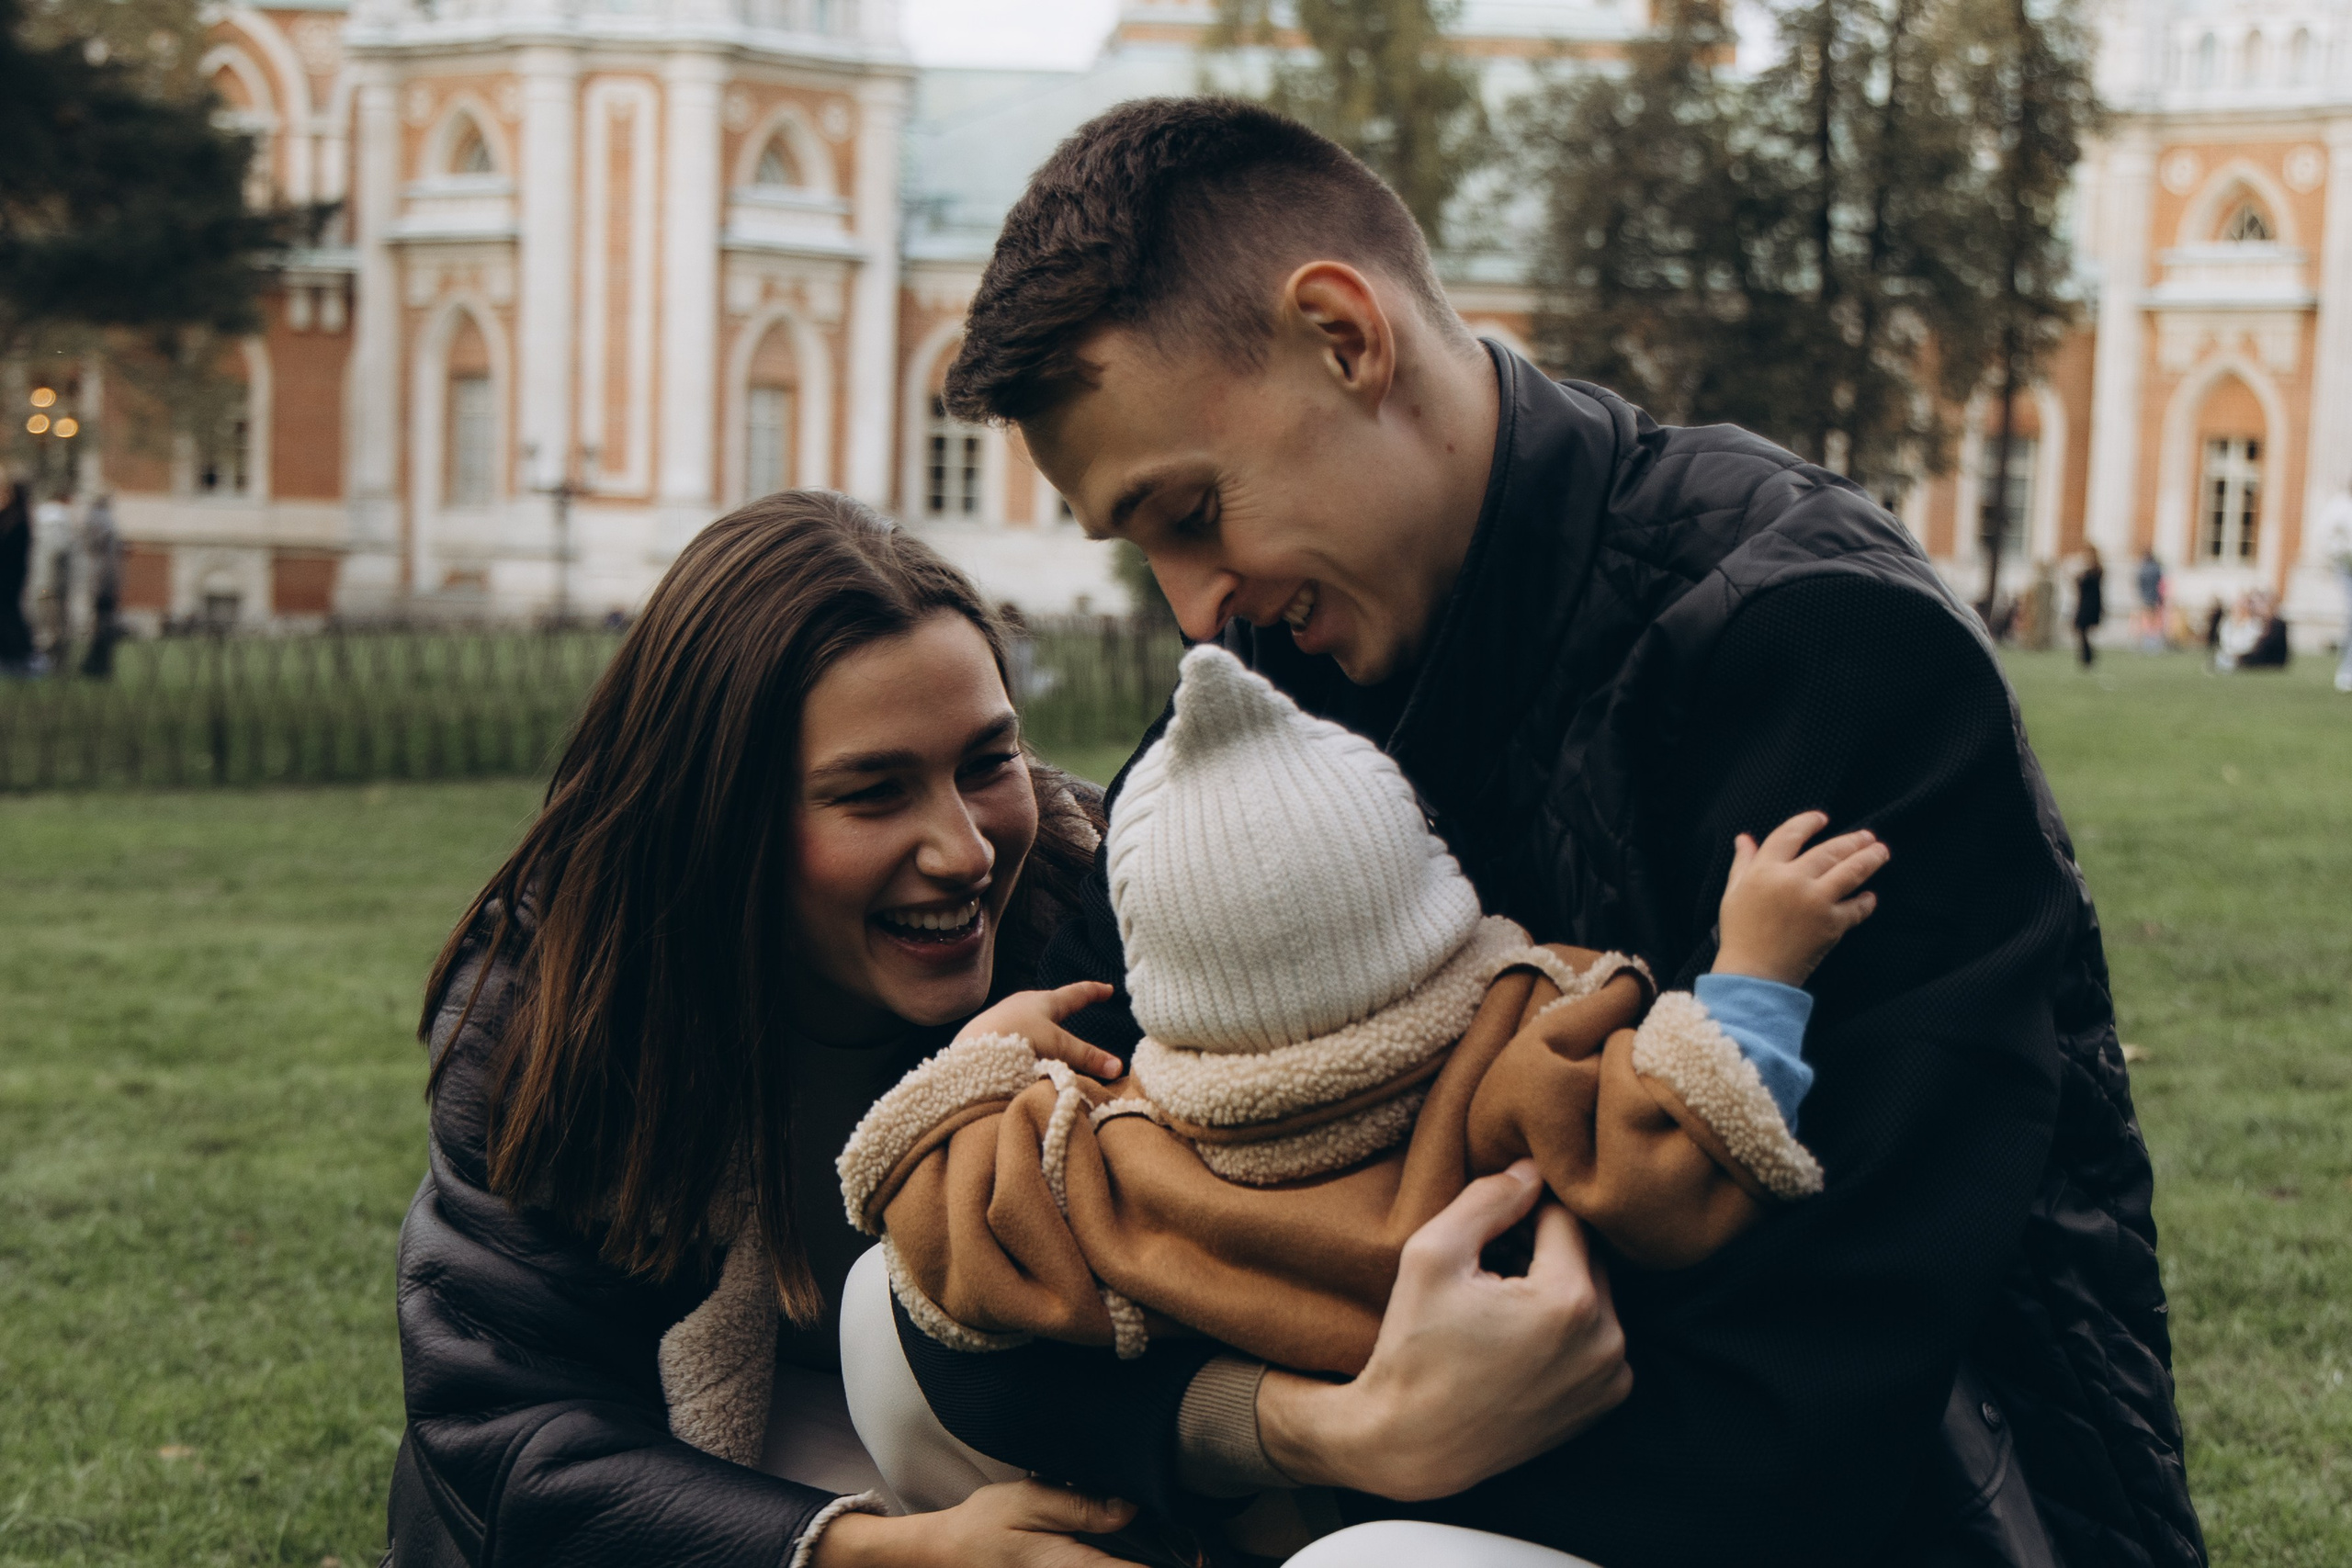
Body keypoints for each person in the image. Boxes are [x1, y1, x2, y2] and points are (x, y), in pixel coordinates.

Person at [876, 97, 2199, 1568]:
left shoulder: (1816, 640)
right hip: (1424, 1448)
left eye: (1191, 510)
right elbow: (965, 1285)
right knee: (888, 1317)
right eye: (1147, 548)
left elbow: (1816, 1374)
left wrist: (1379, 1476)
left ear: (1345, 337)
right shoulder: (1263, 686)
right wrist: (1324, 1430)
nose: (1195, 606)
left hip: (1902, 1505)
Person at [392, 491, 1259, 1566]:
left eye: (987, 762)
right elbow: (511, 1427)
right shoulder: (559, 1004)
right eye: (873, 792)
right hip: (720, 1492)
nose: (964, 851)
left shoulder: (1113, 911)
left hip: (1004, 1443)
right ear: (719, 816)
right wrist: (880, 1555)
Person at [844, 643, 1882, 1410]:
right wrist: (1757, 967)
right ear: (1421, 873)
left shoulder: (1116, 1157)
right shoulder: (1518, 1052)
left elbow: (941, 1229)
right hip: (1501, 1475)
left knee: (870, 1319)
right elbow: (1680, 1157)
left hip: (1251, 1504)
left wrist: (982, 1062)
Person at [80, 495, 122, 679]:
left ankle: (96, 664)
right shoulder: (105, 521)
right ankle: (98, 665)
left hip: (101, 582)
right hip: (105, 582)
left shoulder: (96, 520)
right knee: (103, 625)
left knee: (101, 625)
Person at [2319, 482, 2352, 692]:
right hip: (2347, 566)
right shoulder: (2339, 505)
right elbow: (2325, 536)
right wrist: (2343, 551)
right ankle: (2347, 670)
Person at [0, 479, 34, 675]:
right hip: (10, 575)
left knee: (9, 614)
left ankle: (21, 654)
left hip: (8, 577)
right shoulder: (14, 517)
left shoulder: (17, 520)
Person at [2074, 544, 2105, 666]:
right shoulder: (2088, 570)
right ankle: (2087, 656)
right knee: (2082, 630)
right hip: (2085, 603)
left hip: (2090, 604)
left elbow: (2086, 584)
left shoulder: (2096, 570)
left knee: (2082, 629)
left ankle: (2087, 657)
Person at [2135, 548, 2167, 651]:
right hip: (2155, 597)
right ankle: (2153, 640)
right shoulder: (2157, 569)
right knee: (2154, 619)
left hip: (2146, 597)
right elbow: (2161, 584)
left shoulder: (2143, 569)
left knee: (2146, 619)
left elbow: (2139, 583)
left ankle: (2147, 640)